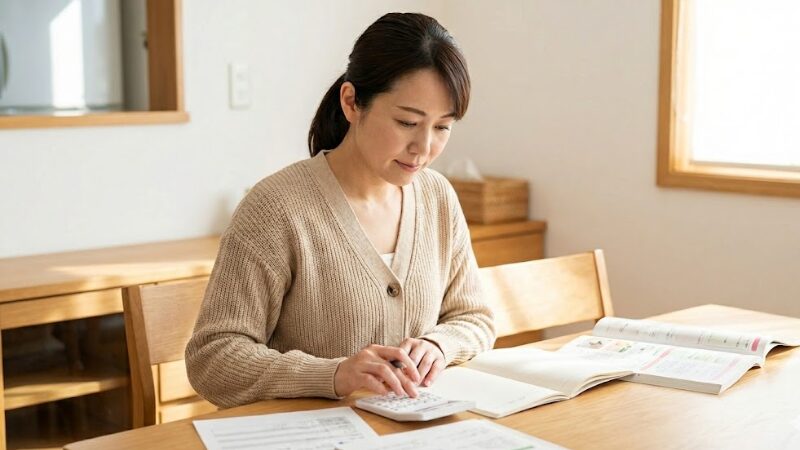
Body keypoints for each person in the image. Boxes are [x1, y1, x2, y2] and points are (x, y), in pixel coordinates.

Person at [185, 12, 495, 408]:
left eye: (442, 127)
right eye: (406, 122)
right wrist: (332, 374)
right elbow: (213, 358)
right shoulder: (276, 209)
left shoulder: (437, 197)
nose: (424, 148)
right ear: (351, 102)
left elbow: (475, 318)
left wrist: (439, 344)